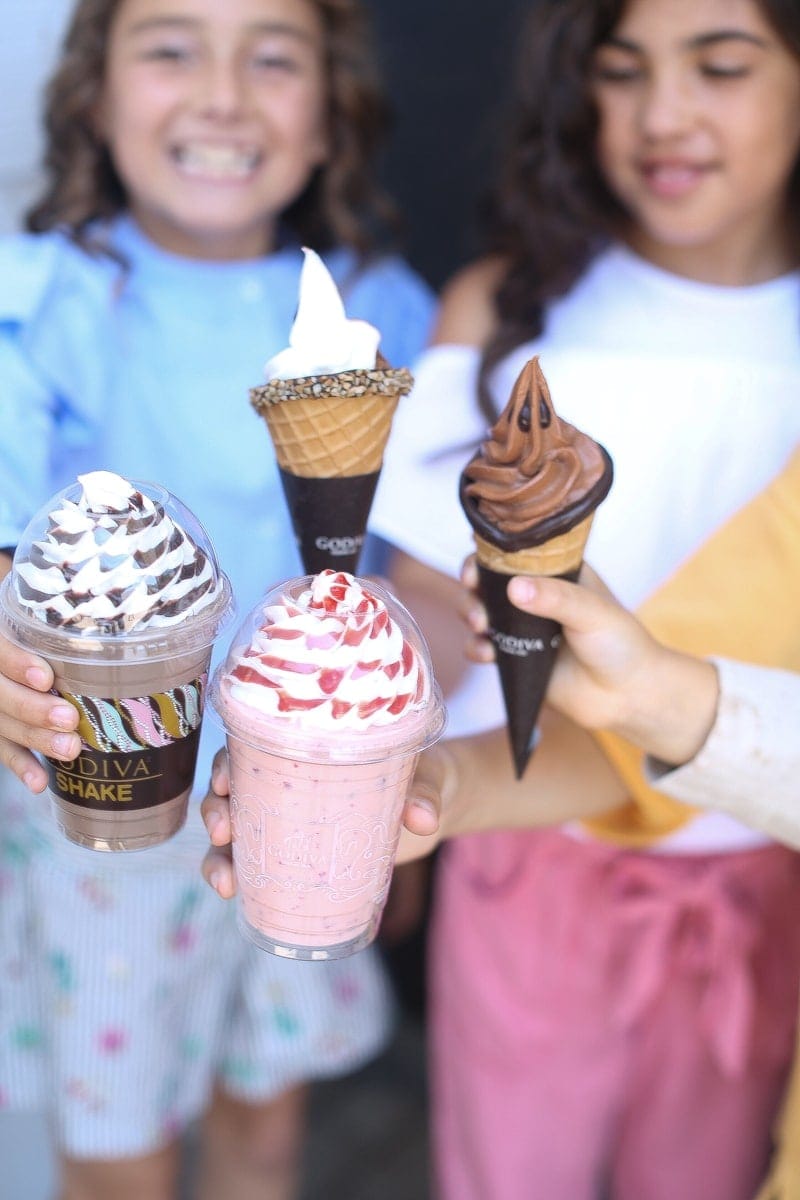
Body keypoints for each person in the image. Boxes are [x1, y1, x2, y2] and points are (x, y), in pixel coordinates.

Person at [0, 2, 435, 1199]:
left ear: (327, 118)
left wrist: (417, 771)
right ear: (92, 92)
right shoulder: (37, 296)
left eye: (275, 55)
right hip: (103, 819)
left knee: (265, 1121)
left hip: (301, 797)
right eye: (172, 45)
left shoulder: (380, 314)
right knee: (120, 1153)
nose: (224, 93)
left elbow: (413, 581)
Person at [367, 0, 800, 1196]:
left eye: (719, 67)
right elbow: (417, 588)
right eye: (620, 73)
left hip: (757, 883)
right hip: (523, 847)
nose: (662, 114)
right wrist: (361, 720)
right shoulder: (506, 309)